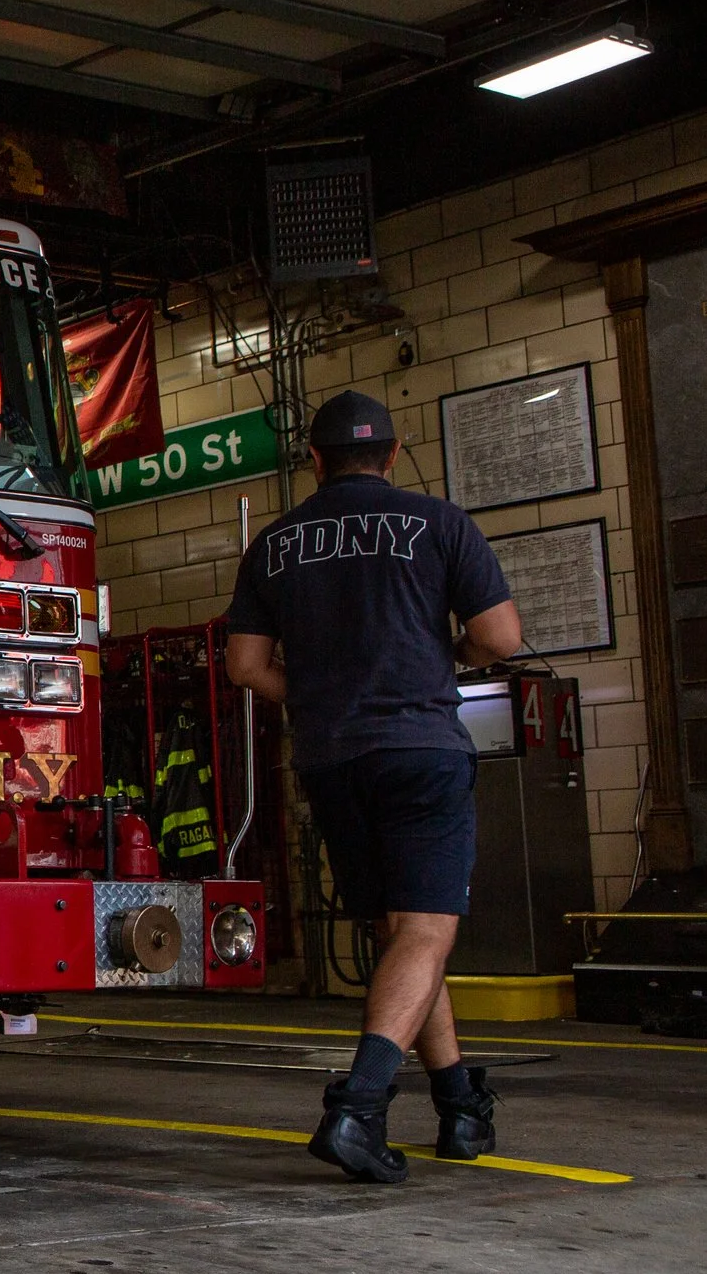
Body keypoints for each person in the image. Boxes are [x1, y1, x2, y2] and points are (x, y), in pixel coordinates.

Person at [223, 391, 525, 1183]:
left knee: (403, 937)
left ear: (314, 462)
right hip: (420, 750)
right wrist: (448, 658)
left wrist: (322, 692)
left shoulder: (275, 542)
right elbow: (501, 637)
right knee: (426, 933)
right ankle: (357, 1108)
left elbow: (247, 667)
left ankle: (460, 1105)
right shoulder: (440, 523)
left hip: (330, 759)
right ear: (393, 454)